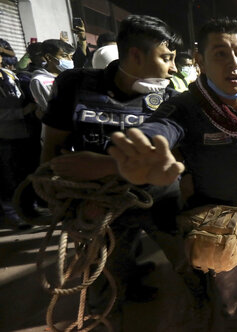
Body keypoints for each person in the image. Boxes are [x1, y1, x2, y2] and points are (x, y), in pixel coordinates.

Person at [107, 17, 237, 332]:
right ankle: (230, 320)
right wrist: (147, 145)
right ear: (199, 60)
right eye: (220, 53)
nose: (234, 62)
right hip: (214, 224)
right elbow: (161, 128)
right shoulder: (185, 107)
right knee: (228, 296)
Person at [40, 14, 188, 322]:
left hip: (156, 197)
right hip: (101, 202)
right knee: (105, 279)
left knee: (192, 262)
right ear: (135, 55)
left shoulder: (169, 96)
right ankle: (107, 314)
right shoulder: (76, 85)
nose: (173, 68)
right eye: (166, 58)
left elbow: (170, 157)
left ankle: (204, 307)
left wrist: (107, 166)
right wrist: (58, 199)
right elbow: (52, 146)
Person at [0, 53, 36, 230]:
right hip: (3, 137)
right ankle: (12, 215)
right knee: (7, 178)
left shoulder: (9, 74)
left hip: (22, 133)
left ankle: (28, 208)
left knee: (24, 172)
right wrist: (20, 113)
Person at [30, 39, 75, 112]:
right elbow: (49, 110)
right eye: (64, 56)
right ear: (49, 57)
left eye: (71, 57)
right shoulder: (40, 81)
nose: (70, 60)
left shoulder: (71, 75)